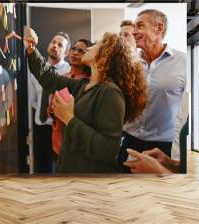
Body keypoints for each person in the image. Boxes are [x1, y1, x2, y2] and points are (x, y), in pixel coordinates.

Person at [24, 28, 147, 173]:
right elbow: (49, 78)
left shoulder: (111, 93)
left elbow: (108, 149)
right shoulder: (83, 85)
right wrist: (31, 49)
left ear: (105, 55)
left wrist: (69, 119)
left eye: (97, 45)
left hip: (88, 178)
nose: (89, 47)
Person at [118, 9, 187, 173]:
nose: (134, 32)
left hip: (163, 148)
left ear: (159, 28)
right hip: (129, 142)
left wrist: (176, 156)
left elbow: (184, 115)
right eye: (134, 27)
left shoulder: (184, 62)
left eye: (140, 26)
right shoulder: (129, 63)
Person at [28, 32, 71, 173]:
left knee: (61, 169)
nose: (55, 46)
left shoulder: (70, 72)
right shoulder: (34, 69)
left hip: (61, 129)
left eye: (60, 45)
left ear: (66, 53)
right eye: (53, 42)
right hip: (40, 127)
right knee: (41, 169)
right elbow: (32, 100)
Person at [47, 39, 94, 158]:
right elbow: (50, 110)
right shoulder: (62, 78)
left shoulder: (89, 83)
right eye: (73, 49)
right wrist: (52, 110)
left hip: (75, 144)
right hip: (57, 142)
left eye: (81, 51)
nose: (75, 53)